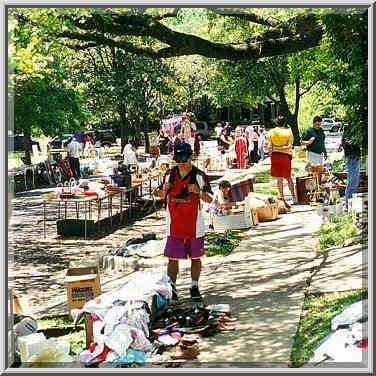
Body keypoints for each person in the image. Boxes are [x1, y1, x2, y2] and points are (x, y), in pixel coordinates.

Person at [155, 141, 213, 301]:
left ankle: (194, 285)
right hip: (174, 225)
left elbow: (210, 199)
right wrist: (163, 190)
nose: (181, 163)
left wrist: (198, 192)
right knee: (172, 258)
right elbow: (159, 195)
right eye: (178, 160)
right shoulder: (169, 174)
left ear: (191, 157)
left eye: (184, 160)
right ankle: (172, 288)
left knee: (196, 257)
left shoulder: (199, 176)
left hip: (194, 225)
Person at [266, 115, 298, 205]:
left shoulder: (271, 132)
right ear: (285, 123)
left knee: (279, 179)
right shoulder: (288, 131)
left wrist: (272, 152)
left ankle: (282, 197)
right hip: (286, 156)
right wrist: (282, 148)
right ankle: (293, 197)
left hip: (275, 156)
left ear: (276, 122)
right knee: (288, 177)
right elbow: (289, 146)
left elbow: (269, 146)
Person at [341, 129, 362, 210]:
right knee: (352, 183)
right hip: (353, 158)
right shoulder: (349, 132)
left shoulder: (351, 131)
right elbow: (345, 144)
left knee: (354, 183)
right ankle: (349, 206)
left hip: (354, 157)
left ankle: (350, 205)